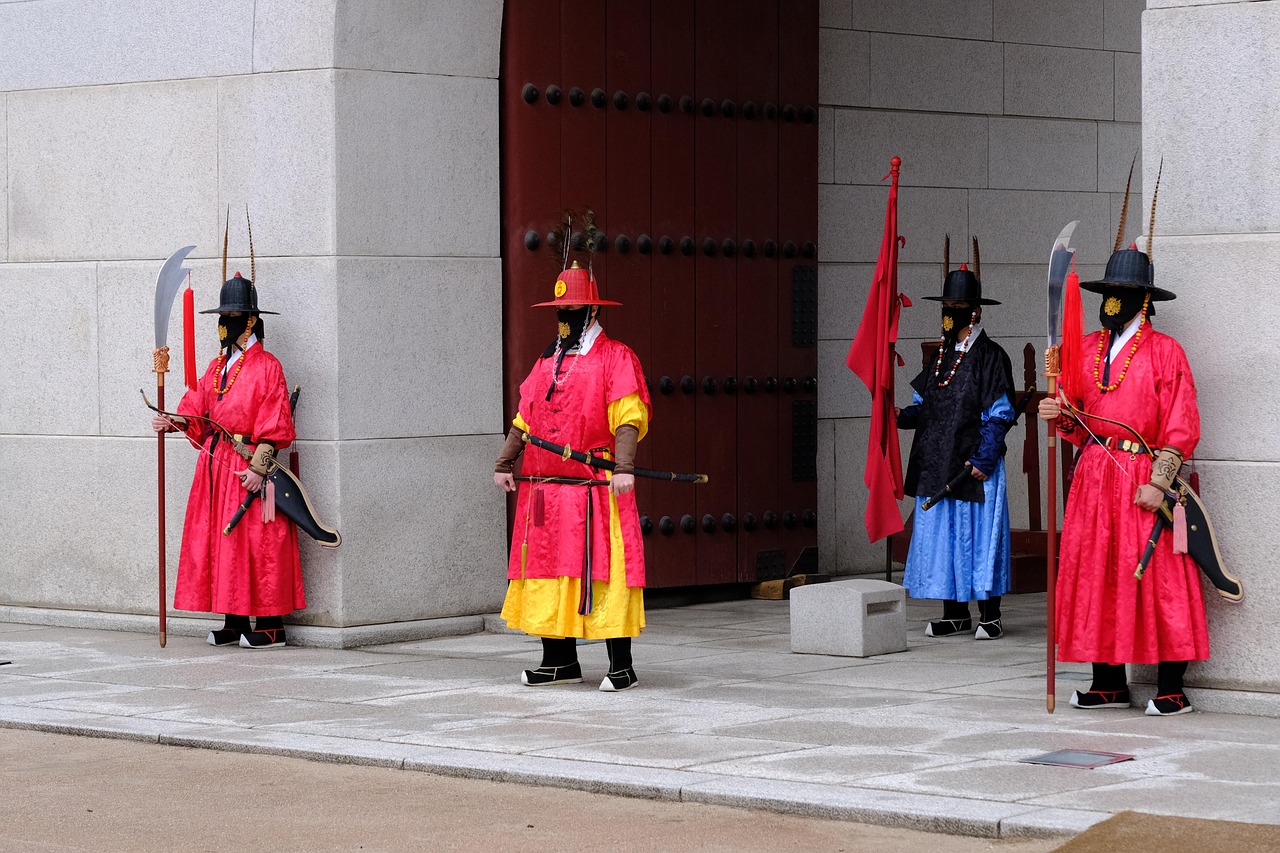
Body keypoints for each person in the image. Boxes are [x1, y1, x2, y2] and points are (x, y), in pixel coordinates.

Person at [1039, 241, 1205, 716]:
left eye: (1123, 291)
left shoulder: (1165, 351)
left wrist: (1161, 480)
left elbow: (1181, 423)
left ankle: (1171, 686)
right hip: (1093, 473)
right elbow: (1077, 423)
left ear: (1143, 299)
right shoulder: (1086, 348)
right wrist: (1058, 413)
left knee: (1159, 574)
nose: (1112, 300)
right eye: (1108, 290)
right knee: (1095, 571)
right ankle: (1107, 681)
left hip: (1142, 474)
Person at [493, 260, 652, 692]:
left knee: (606, 572)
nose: (566, 317)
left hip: (594, 487)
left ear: (594, 312)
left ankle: (621, 664)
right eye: (561, 310)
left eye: (575, 309)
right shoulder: (547, 361)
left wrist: (623, 467)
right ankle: (558, 658)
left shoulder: (615, 357)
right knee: (546, 571)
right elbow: (525, 419)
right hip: (546, 491)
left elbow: (627, 417)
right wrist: (504, 462)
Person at [151, 266, 304, 649]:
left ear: (251, 322)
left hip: (249, 465)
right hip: (216, 467)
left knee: (258, 541)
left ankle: (271, 625)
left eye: (231, 318)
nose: (224, 326)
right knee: (224, 542)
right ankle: (233, 619)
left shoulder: (268, 367)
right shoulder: (217, 366)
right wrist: (172, 421)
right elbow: (198, 409)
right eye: (221, 318)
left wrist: (258, 467)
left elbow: (276, 423)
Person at [897, 241, 1015, 640]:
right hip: (937, 460)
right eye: (944, 308)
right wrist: (892, 416)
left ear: (972, 312)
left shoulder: (991, 355)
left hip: (973, 465)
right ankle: (954, 613)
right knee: (945, 539)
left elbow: (1000, 413)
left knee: (982, 539)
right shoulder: (941, 358)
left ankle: (990, 614)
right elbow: (922, 409)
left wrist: (984, 459)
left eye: (954, 309)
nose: (947, 315)